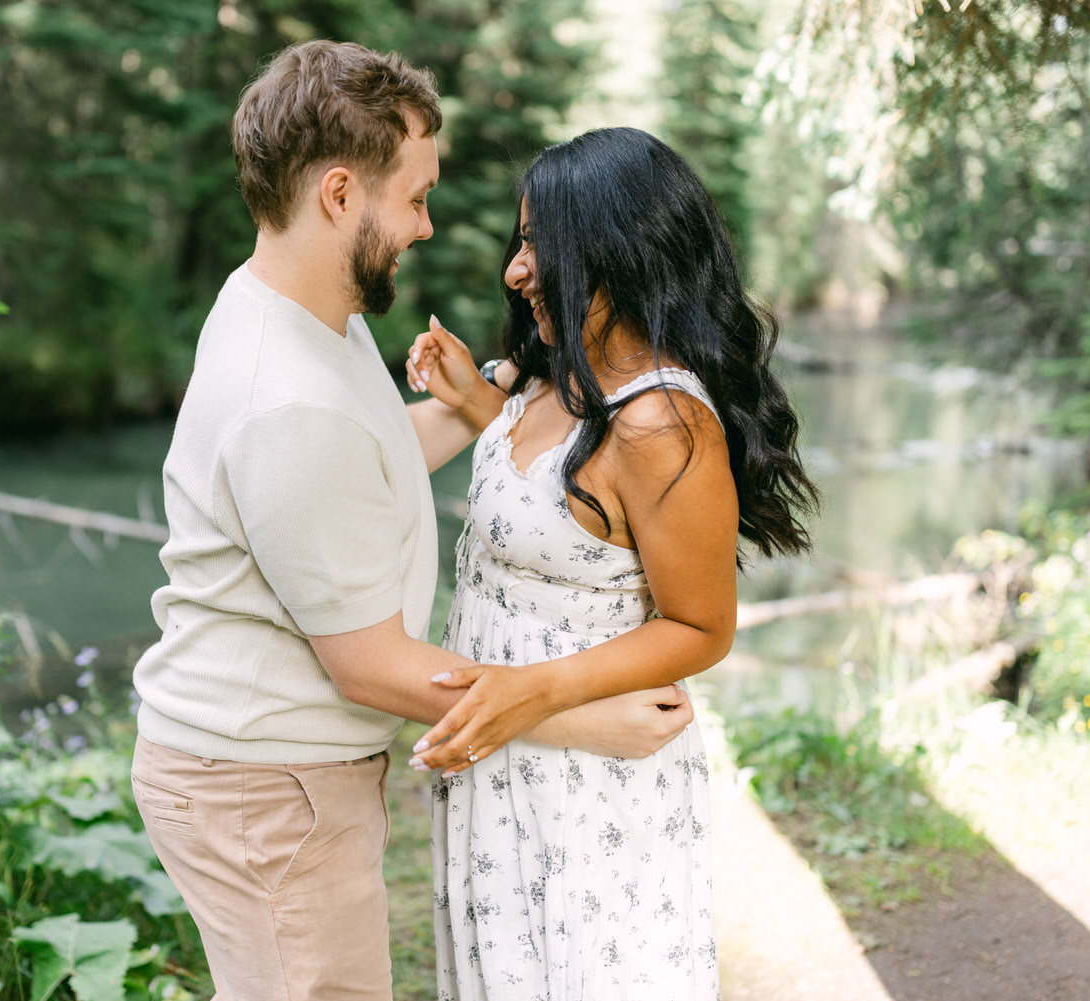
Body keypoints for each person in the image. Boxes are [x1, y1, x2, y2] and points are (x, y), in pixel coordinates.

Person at [129, 45, 693, 1001]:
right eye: (417, 199)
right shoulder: (289, 398)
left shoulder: (298, 309)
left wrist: (515, 385)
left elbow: (373, 453)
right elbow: (371, 663)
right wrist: (583, 715)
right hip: (264, 792)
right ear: (341, 195)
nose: (427, 228)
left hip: (265, 772)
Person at [405, 127, 819, 999]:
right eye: (520, 242)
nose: (517, 269)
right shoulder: (557, 376)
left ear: (613, 252)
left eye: (537, 244)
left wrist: (536, 691)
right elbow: (560, 511)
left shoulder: (661, 423)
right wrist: (484, 405)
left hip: (587, 785)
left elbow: (701, 626)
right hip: (502, 762)